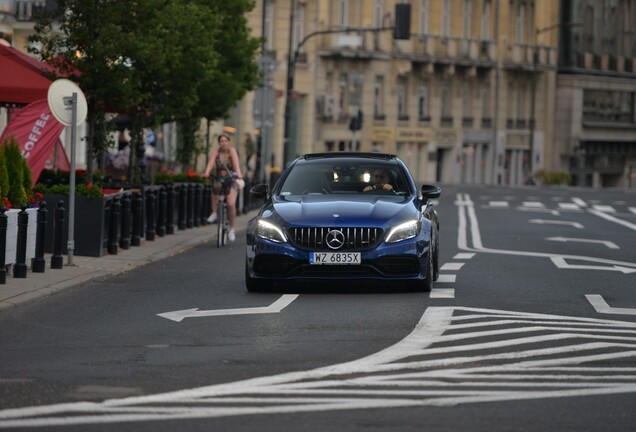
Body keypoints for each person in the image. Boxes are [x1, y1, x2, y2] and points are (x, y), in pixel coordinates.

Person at [204, 134, 244, 242]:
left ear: (228, 142)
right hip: (219, 179)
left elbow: (236, 165)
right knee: (215, 187)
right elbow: (211, 163)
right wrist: (207, 172)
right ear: (219, 143)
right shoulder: (216, 152)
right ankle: (214, 212)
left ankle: (232, 229)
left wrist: (239, 174)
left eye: (225, 141)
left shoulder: (232, 151)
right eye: (221, 141)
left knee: (230, 204)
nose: (223, 143)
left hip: (231, 179)